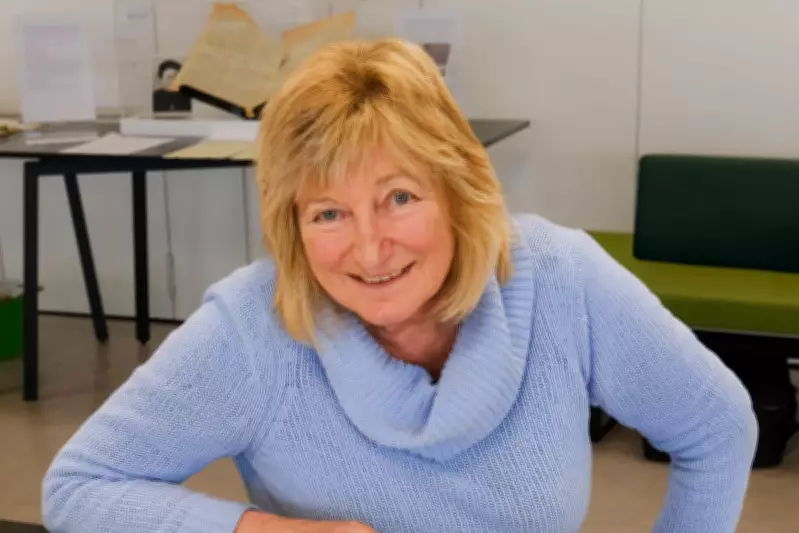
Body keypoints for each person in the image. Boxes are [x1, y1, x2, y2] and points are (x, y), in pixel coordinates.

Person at [42, 39, 757, 533]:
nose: (369, 247)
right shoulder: (254, 326)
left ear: (457, 189)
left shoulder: (557, 278)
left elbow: (718, 426)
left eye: (399, 197)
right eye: (328, 212)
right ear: (292, 224)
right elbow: (80, 487)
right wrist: (263, 530)